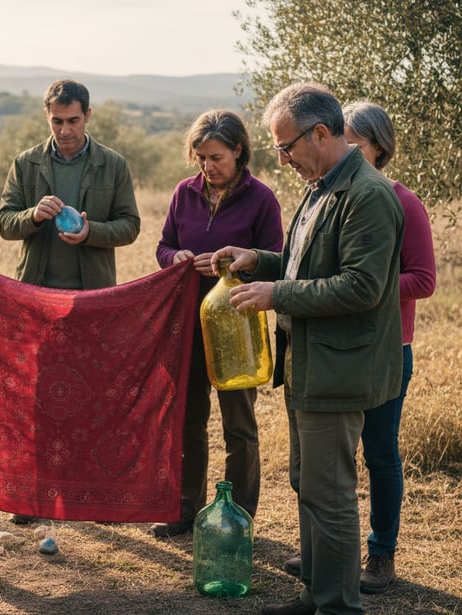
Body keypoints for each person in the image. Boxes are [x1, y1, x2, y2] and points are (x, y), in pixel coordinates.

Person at [211, 83, 404, 615]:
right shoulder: (322, 185)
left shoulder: (367, 195)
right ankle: (314, 594)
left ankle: (338, 606)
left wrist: (276, 294)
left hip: (339, 368)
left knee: (330, 492)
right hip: (308, 364)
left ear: (321, 133)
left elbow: (361, 287)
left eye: (286, 146)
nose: (282, 159)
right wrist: (259, 260)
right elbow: (306, 266)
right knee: (308, 484)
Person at [281, 102, 438, 596]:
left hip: (377, 347)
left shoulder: (388, 199)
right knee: (323, 473)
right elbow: (315, 269)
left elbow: (416, 280)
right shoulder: (322, 191)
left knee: (375, 457)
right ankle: (324, 570)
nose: (345, 148)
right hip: (328, 350)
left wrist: (290, 292)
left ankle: (378, 554)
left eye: (353, 141)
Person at [0, 78, 140, 523]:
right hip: (38, 299)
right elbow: (4, 222)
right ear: (47, 117)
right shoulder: (25, 163)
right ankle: (37, 496)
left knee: (94, 397)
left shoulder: (114, 164)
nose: (65, 130)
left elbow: (130, 226)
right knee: (37, 398)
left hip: (92, 301)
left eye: (73, 120)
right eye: (57, 121)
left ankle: (91, 495)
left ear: (88, 116)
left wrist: (91, 232)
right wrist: (32, 216)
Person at [151, 109, 284, 538]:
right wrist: (175, 257)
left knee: (238, 427)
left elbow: (276, 262)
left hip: (238, 328)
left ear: (238, 150)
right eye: (202, 158)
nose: (208, 167)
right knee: (188, 420)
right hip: (188, 324)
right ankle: (184, 509)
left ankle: (237, 518)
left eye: (217, 158)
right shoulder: (183, 193)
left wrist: (235, 265)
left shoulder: (262, 199)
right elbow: (164, 245)